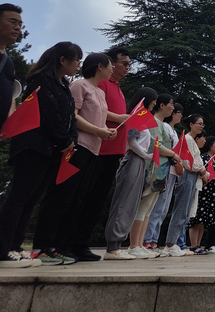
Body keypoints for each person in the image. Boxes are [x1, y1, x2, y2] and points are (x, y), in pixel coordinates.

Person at [0, 41, 81, 267]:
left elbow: (68, 117)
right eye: (76, 60)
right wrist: (64, 140)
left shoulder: (64, 85)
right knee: (19, 197)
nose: (78, 65)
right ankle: (3, 247)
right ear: (62, 60)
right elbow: (48, 115)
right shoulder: (41, 81)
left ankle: (15, 246)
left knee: (32, 198)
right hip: (33, 147)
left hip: (52, 149)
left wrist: (71, 139)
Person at [53, 53, 117, 262]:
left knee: (83, 198)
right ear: (100, 66)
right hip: (79, 146)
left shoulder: (100, 92)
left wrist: (106, 130)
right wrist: (98, 131)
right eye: (110, 66)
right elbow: (73, 115)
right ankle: (59, 244)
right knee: (69, 196)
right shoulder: (80, 86)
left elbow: (97, 118)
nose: (112, 70)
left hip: (94, 150)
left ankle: (77, 244)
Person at [82, 46, 132, 253]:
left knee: (98, 199)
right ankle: (72, 242)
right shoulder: (102, 83)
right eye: (124, 63)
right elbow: (94, 108)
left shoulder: (118, 87)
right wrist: (119, 118)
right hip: (98, 148)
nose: (128, 67)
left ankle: (80, 243)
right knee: (87, 196)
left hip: (113, 150)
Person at [104, 87, 157, 260]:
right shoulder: (136, 116)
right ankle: (113, 245)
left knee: (131, 202)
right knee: (124, 201)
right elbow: (132, 141)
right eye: (153, 100)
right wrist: (146, 155)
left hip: (140, 161)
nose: (154, 104)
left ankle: (118, 243)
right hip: (133, 159)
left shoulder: (141, 117)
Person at [127, 94, 181, 258]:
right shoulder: (153, 122)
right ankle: (134, 245)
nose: (173, 108)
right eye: (171, 104)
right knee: (144, 207)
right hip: (154, 167)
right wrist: (174, 154)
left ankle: (140, 244)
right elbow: (154, 144)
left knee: (149, 209)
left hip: (161, 168)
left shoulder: (161, 125)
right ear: (162, 105)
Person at [163, 114, 207, 256]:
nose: (201, 126)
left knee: (186, 212)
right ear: (191, 124)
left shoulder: (192, 140)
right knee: (181, 210)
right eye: (199, 123)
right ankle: (170, 243)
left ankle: (175, 242)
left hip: (193, 177)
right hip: (187, 175)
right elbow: (187, 161)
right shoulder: (187, 139)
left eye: (202, 124)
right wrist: (201, 169)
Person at [145, 102, 184, 252]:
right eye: (173, 107)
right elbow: (162, 147)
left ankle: (154, 238)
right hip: (163, 168)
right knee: (156, 206)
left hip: (172, 170)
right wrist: (175, 157)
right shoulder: (164, 126)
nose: (176, 111)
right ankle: (148, 239)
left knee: (163, 208)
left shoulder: (173, 130)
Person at [188, 136, 215, 251]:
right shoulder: (204, 158)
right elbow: (202, 171)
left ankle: (198, 244)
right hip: (204, 191)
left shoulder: (214, 159)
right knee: (197, 218)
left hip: (212, 193)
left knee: (204, 220)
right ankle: (193, 245)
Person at [0, 3, 23, 133]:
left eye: (20, 24)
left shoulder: (8, 62)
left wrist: (9, 118)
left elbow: (10, 93)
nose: (18, 28)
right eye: (13, 22)